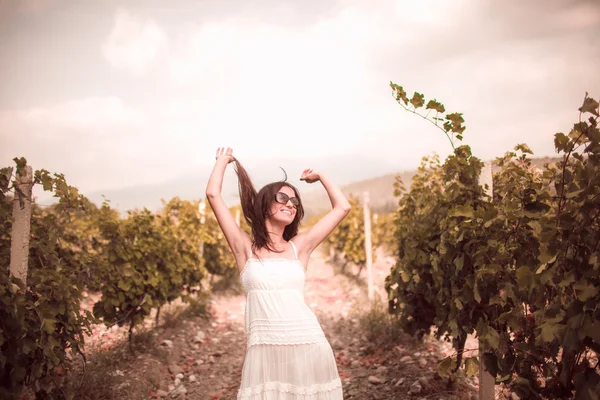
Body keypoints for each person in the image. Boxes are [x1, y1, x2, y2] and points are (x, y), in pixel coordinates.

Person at [205, 147, 351, 399]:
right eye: (282, 198)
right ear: (264, 205)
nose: (290, 204)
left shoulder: (300, 247)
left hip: (307, 343)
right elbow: (213, 195)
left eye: (294, 201)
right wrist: (222, 161)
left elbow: (342, 207)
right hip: (264, 351)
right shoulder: (244, 249)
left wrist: (321, 176)